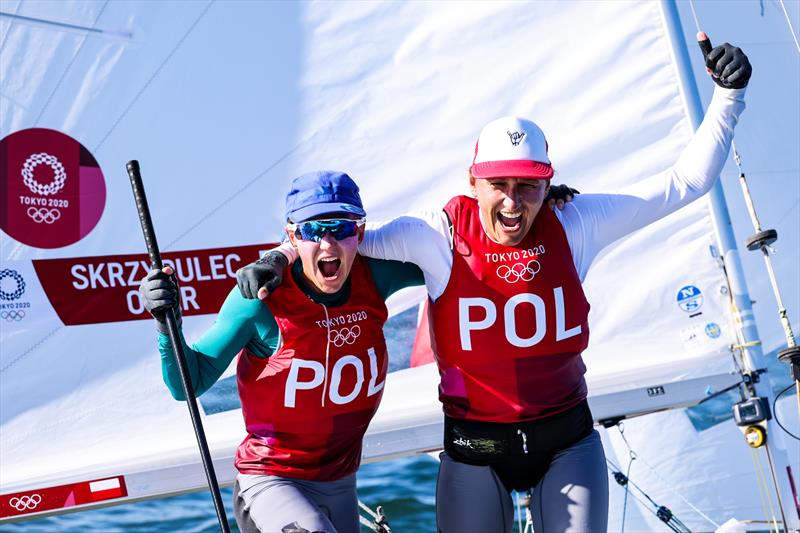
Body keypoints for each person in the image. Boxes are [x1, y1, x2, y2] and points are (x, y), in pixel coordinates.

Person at [236, 36, 751, 533]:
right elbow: (344, 237)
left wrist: (730, 95)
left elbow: (686, 184)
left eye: (528, 185)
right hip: (474, 452)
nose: (513, 202)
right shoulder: (434, 235)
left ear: (548, 183)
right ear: (473, 181)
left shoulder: (577, 222)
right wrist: (278, 256)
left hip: (566, 445)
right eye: (499, 185)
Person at [140, 170, 424, 533]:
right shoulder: (259, 299)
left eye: (341, 228)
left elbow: (449, 250)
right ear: (292, 234)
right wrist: (168, 324)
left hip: (341, 483)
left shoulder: (377, 276)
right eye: (311, 231)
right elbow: (188, 384)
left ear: (361, 232)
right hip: (271, 481)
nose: (327, 244)